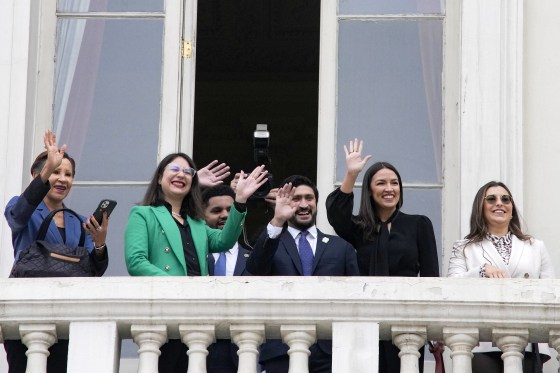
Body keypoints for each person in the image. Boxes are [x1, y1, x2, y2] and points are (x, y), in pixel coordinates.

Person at [124, 153, 267, 373]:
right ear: (160, 177)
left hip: (195, 316)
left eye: (188, 172)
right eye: (174, 169)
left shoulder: (197, 223)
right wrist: (178, 285)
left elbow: (225, 240)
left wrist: (240, 201)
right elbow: (136, 261)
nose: (181, 174)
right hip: (163, 312)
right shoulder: (143, 214)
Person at [325, 139, 439, 373]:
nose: (389, 188)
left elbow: (431, 277)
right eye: (381, 183)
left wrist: (433, 325)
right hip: (364, 320)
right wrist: (351, 175)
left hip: (407, 320)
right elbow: (336, 215)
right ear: (369, 189)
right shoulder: (358, 228)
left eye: (394, 183)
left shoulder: (418, 224)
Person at [3, 130, 109, 373]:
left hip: (68, 312)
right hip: (27, 309)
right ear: (37, 175)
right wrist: (46, 170)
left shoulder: (80, 222)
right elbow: (18, 215)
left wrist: (100, 242)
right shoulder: (20, 207)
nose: (63, 179)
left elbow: (94, 271)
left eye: (68, 174)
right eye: (56, 171)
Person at [246, 175, 359, 373]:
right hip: (280, 349)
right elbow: (255, 269)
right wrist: (278, 220)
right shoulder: (273, 242)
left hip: (330, 352)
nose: (304, 204)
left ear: (316, 202)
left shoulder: (341, 248)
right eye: (296, 199)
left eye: (309, 198)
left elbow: (356, 299)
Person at [448, 181, 555, 372]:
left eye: (505, 199)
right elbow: (452, 288)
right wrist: (481, 271)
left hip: (527, 339)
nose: (500, 203)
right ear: (480, 207)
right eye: (491, 199)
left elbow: (549, 292)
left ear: (512, 208)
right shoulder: (464, 247)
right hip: (483, 341)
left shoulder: (535, 246)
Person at [202, 185, 253, 373]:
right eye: (216, 210)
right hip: (198, 349)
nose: (225, 215)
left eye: (230, 210)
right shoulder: (192, 256)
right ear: (202, 216)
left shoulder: (254, 258)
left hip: (244, 350)